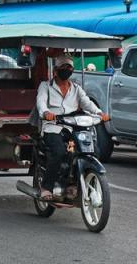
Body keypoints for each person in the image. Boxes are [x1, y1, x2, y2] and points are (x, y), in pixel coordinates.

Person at [36, 56, 110, 201]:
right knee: (58, 152)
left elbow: (87, 103)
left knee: (93, 150)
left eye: (69, 68)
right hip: (53, 127)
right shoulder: (46, 86)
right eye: (64, 68)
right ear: (55, 71)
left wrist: (100, 113)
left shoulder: (76, 88)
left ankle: (73, 183)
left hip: (73, 126)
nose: (67, 71)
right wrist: (46, 113)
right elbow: (41, 103)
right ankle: (47, 187)